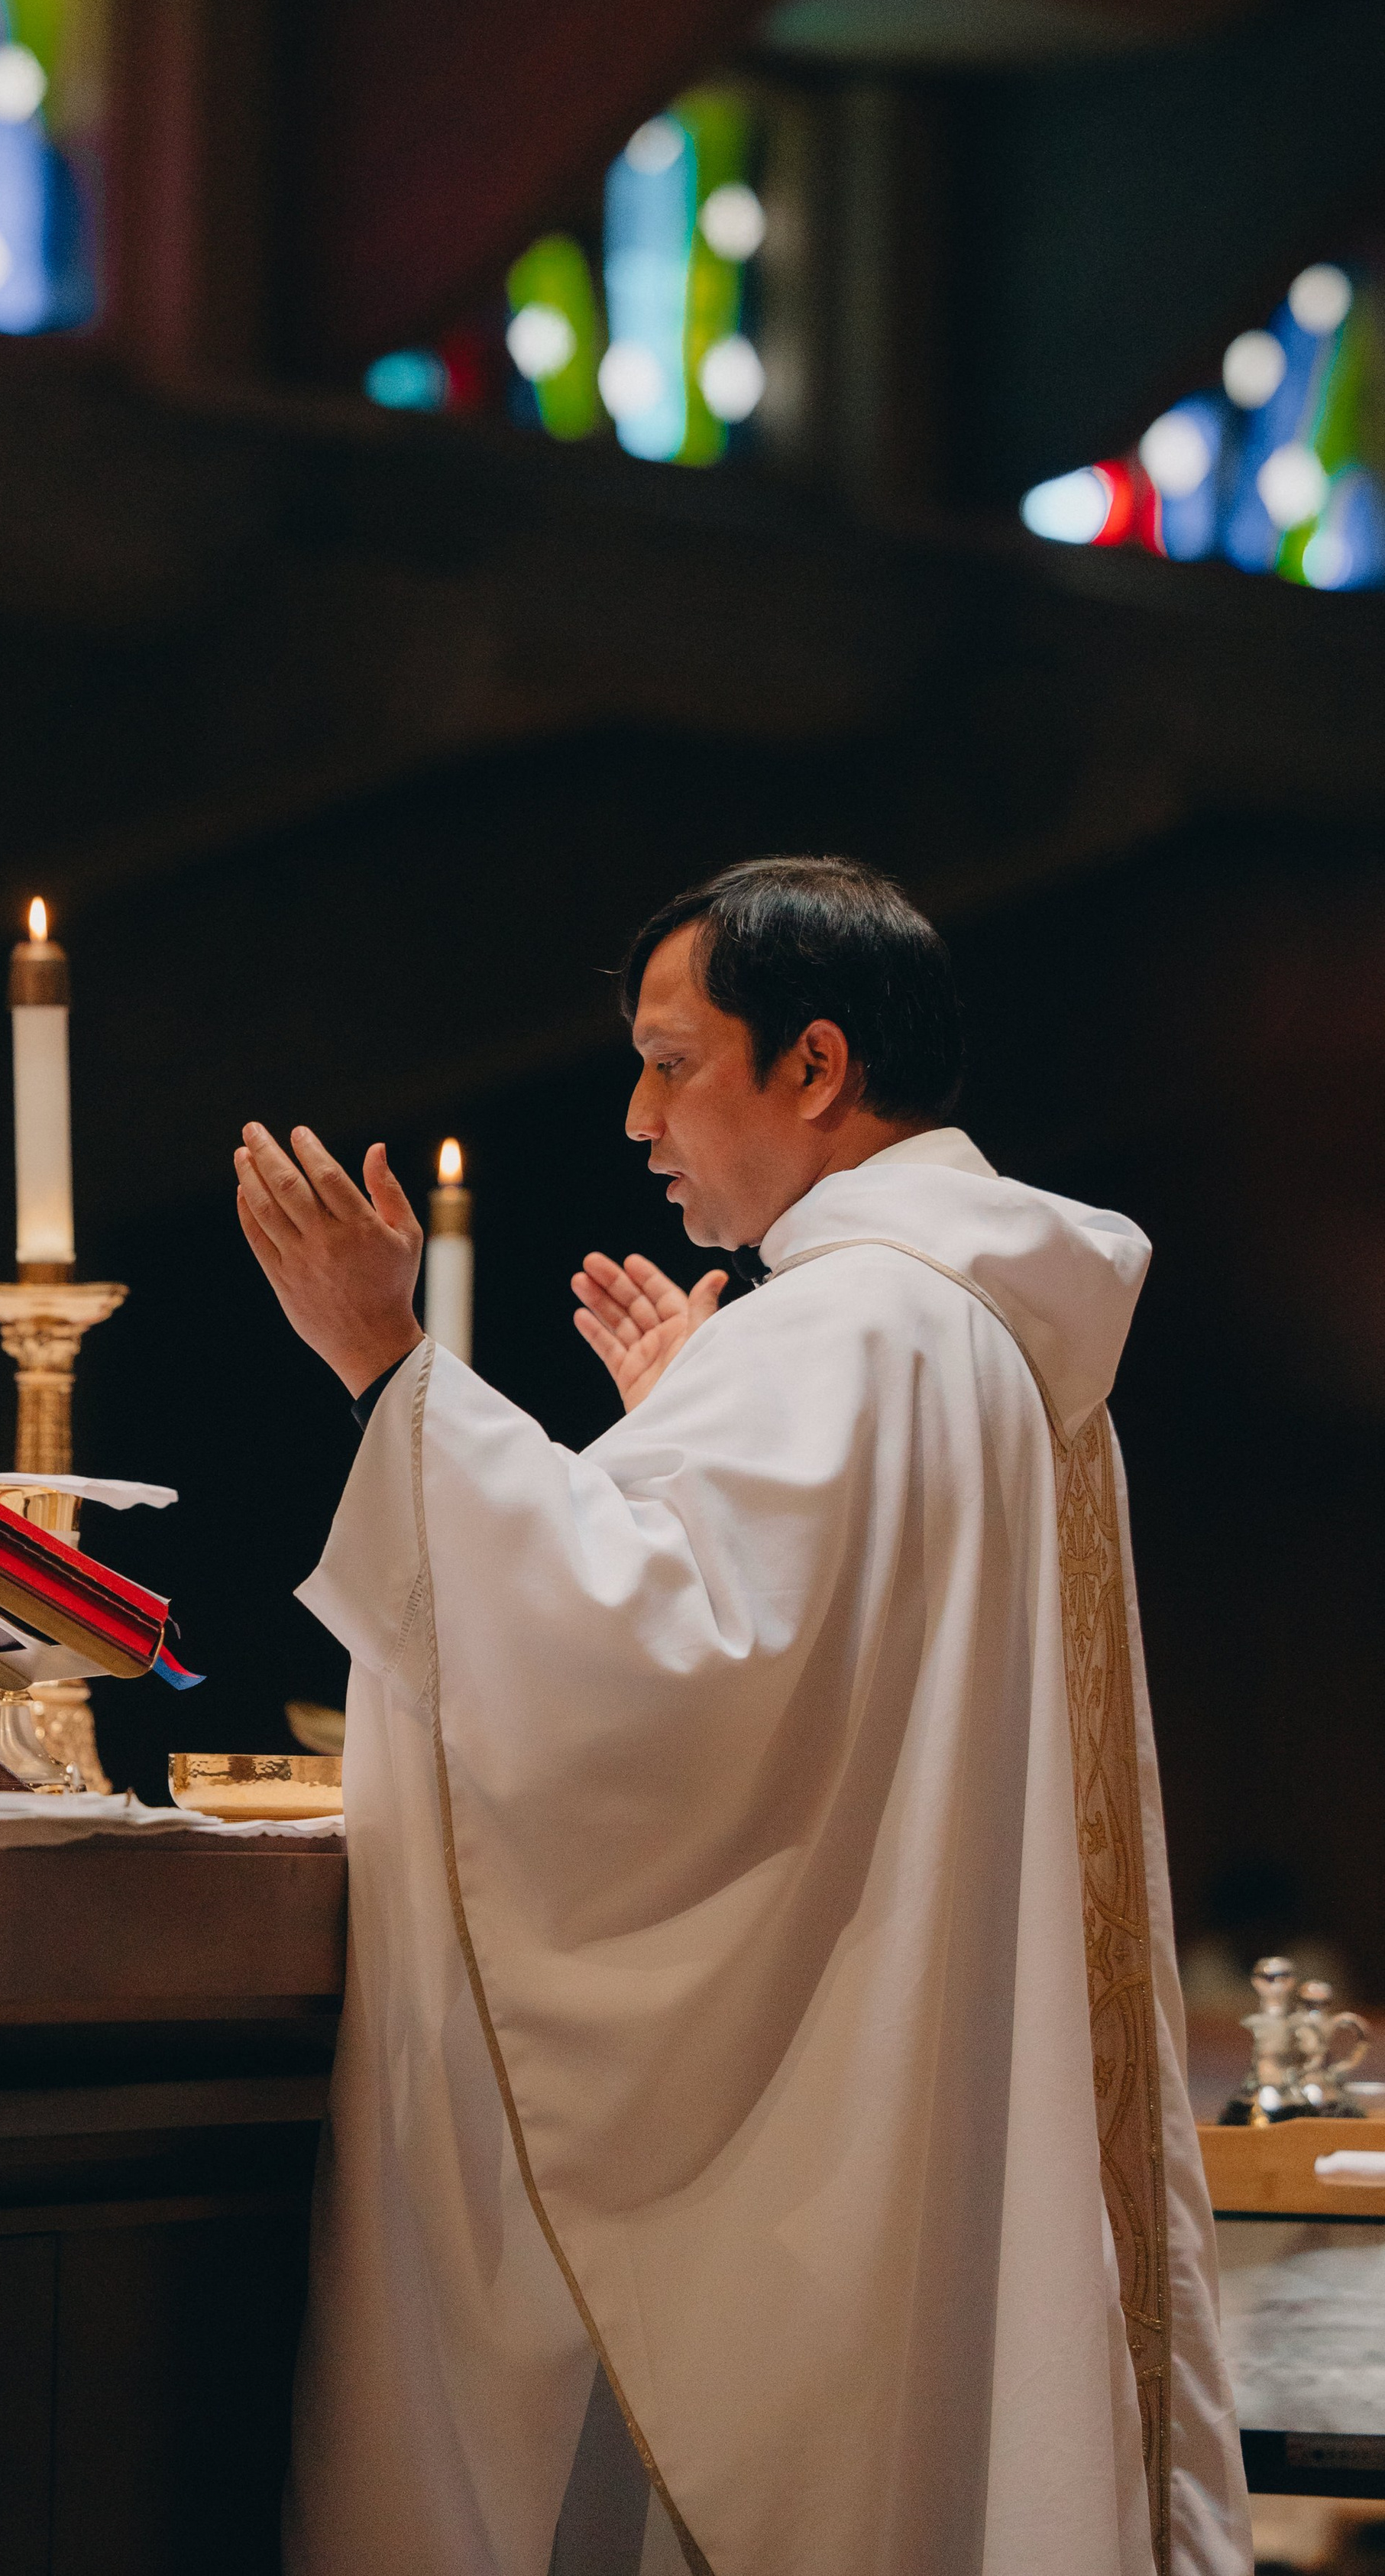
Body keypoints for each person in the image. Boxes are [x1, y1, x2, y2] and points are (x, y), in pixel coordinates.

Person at [235, 853, 1250, 2576]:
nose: (636, 1116)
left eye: (671, 1060)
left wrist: (386, 1370)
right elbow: (788, 1662)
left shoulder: (848, 1330)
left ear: (814, 1066)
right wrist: (677, 1428)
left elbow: (636, 1681)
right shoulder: (976, 1332)